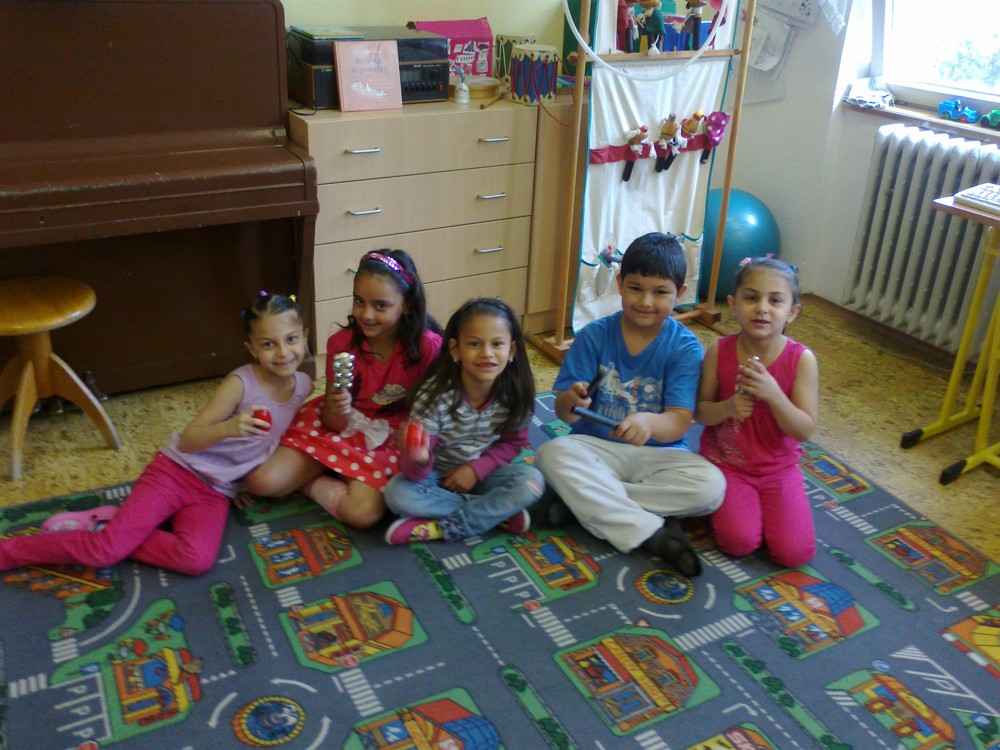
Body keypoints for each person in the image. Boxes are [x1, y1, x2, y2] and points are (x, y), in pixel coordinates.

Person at [0, 292, 313, 576]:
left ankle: (112, 525)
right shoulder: (240, 384)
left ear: (305, 337)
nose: (283, 352)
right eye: (268, 344)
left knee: (195, 560)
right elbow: (189, 440)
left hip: (216, 490)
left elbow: (268, 443)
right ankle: (9, 553)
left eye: (291, 339)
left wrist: (241, 480)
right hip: (177, 472)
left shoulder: (304, 386)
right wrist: (231, 427)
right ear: (251, 349)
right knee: (105, 551)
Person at [535, 232, 725, 576]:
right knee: (550, 453)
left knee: (712, 488)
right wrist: (568, 400)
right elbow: (564, 415)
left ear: (680, 294)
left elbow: (679, 421)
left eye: (660, 292)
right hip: (597, 449)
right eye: (636, 288)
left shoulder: (685, 347)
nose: (646, 301)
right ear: (620, 284)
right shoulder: (594, 335)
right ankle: (653, 534)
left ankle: (582, 501)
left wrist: (649, 423)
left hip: (660, 457)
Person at [246, 250, 442, 528]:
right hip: (340, 427)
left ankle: (316, 479)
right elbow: (334, 423)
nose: (366, 314)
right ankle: (330, 468)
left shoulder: (427, 348)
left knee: (362, 514)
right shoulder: (341, 344)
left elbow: (435, 412)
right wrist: (336, 409)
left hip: (387, 437)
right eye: (359, 301)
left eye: (381, 305)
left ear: (407, 305)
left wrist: (416, 438)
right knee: (261, 483)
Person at [383, 298, 544, 544]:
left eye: (497, 344)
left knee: (532, 481)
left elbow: (513, 444)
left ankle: (444, 527)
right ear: (455, 350)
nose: (486, 353)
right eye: (474, 344)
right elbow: (413, 473)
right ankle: (495, 512)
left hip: (484, 474)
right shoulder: (434, 397)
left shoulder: (516, 394)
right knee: (397, 494)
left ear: (511, 350)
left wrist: (476, 470)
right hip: (436, 476)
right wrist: (419, 458)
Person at [695, 256, 819, 567]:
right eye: (751, 298)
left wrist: (774, 395)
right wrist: (728, 407)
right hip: (727, 464)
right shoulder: (718, 351)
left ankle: (757, 511)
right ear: (733, 305)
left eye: (775, 300)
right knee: (738, 542)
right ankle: (732, 508)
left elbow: (804, 430)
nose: (762, 308)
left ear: (792, 312)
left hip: (779, 469)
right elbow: (700, 413)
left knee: (795, 553)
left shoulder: (802, 360)